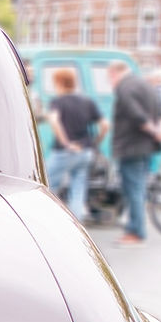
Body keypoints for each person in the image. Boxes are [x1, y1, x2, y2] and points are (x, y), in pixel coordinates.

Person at [108, 60, 161, 245]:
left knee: (132, 189)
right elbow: (159, 112)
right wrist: (160, 129)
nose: (110, 83)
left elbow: (135, 114)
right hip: (146, 147)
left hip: (130, 146)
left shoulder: (124, 87)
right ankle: (136, 228)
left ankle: (136, 231)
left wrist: (153, 130)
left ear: (114, 73)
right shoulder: (146, 85)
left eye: (109, 78)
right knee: (139, 189)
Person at [44, 69, 107, 221]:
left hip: (64, 152)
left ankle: (46, 221)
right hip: (85, 152)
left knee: (46, 186)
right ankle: (76, 225)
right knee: (78, 191)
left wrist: (66, 143)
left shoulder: (58, 102)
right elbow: (105, 125)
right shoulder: (87, 101)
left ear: (59, 83)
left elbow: (54, 121)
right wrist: (94, 142)